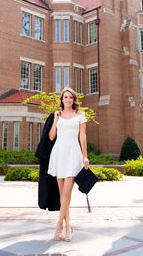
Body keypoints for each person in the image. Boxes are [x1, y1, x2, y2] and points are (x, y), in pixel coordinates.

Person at [48, 87, 89, 242]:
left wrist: (85, 157)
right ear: (62, 99)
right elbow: (51, 136)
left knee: (66, 194)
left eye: (70, 97)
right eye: (65, 97)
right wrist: (55, 120)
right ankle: (68, 226)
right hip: (59, 154)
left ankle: (59, 225)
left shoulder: (80, 115)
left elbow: (83, 136)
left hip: (73, 155)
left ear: (74, 99)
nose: (68, 100)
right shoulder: (56, 115)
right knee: (62, 196)